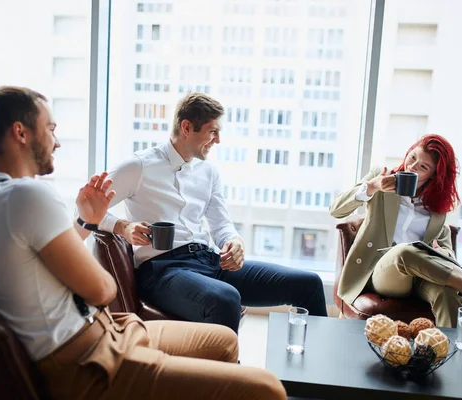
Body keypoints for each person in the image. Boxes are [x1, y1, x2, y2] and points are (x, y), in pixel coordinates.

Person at [0, 86, 286, 400]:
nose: (57, 141)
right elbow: (103, 290)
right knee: (268, 388)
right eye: (50, 129)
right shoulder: (29, 195)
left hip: (103, 330)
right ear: (21, 134)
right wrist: (116, 229)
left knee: (224, 341)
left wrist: (89, 221)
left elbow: (58, 254)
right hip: (88, 357)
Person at [98, 92, 328, 333]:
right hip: (163, 270)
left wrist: (234, 241)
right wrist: (123, 227)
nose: (217, 140)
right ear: (187, 127)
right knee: (226, 298)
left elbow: (220, 225)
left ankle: (316, 369)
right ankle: (227, 371)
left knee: (308, 284)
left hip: (208, 261)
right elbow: (87, 209)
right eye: (212, 131)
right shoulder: (139, 166)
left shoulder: (208, 173)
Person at [330, 134, 462, 327]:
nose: (413, 166)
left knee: (447, 293)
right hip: (381, 273)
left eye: (423, 166)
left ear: (433, 175)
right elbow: (336, 209)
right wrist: (372, 187)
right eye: (413, 157)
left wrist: (442, 252)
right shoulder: (381, 179)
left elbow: (447, 251)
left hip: (420, 278)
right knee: (405, 252)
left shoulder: (437, 208)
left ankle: (444, 352)